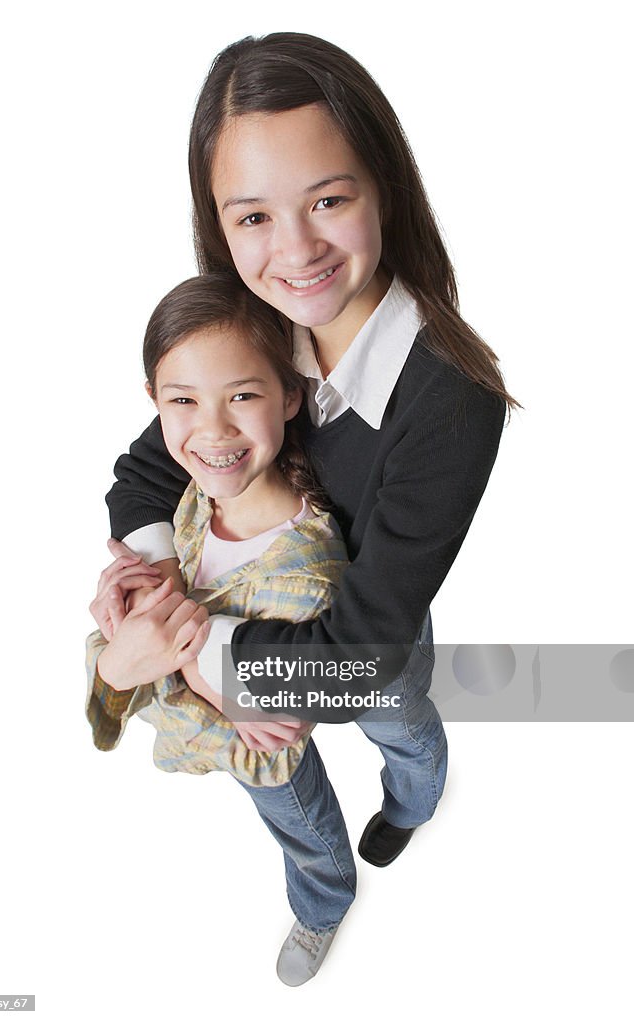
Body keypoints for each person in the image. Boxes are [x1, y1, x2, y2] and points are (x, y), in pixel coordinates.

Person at [98, 28, 516, 969]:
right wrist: (156, 584)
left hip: (368, 650)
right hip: (245, 643)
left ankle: (414, 801)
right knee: (288, 802)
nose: (295, 252)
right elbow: (146, 475)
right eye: (251, 217)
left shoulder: (450, 400)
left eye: (328, 199)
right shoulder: (256, 325)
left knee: (402, 730)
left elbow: (361, 656)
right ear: (217, 220)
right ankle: (324, 901)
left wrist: (195, 656)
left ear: (384, 189)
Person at [86, 273, 355, 986]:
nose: (211, 430)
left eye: (242, 395)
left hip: (268, 749)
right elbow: (132, 663)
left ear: (290, 394)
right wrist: (144, 603)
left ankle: (325, 903)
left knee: (308, 828)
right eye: (182, 401)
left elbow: (290, 714)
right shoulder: (196, 495)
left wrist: (180, 649)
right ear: (154, 404)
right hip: (227, 721)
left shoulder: (306, 572)